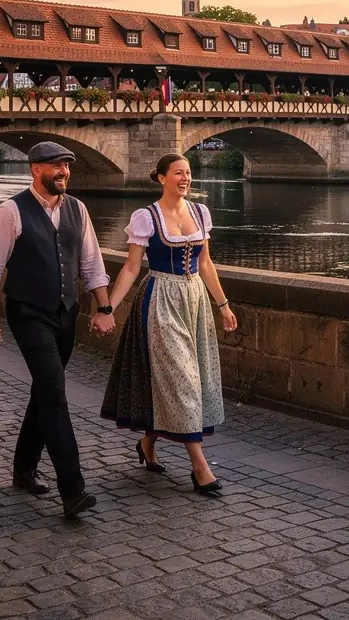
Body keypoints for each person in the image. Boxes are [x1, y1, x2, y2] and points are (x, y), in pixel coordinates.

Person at [0, 141, 113, 519]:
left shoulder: (77, 209)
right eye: (56, 166)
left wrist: (104, 307)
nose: (64, 171)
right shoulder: (9, 211)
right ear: (36, 170)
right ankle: (72, 490)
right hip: (28, 312)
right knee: (54, 392)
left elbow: (91, 263)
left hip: (66, 312)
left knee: (45, 389)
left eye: (67, 165)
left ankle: (23, 468)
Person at [99, 153, 237, 494]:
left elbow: (205, 264)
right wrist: (108, 308)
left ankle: (147, 444)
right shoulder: (146, 217)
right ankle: (200, 466)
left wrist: (223, 305)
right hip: (160, 298)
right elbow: (132, 267)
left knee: (185, 379)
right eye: (178, 173)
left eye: (188, 172)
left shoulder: (200, 212)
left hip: (195, 300)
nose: (185, 178)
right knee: (181, 378)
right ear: (162, 178)